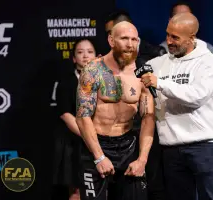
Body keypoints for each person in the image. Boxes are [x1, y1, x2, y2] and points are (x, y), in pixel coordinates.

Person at [141, 13, 213, 200]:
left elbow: (197, 96)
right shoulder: (156, 64)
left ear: (191, 38)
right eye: (168, 35)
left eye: (175, 37)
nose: (169, 41)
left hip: (203, 146)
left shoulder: (209, 62)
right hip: (171, 149)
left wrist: (159, 83)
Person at [75, 21, 155, 200]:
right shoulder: (93, 70)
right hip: (96, 145)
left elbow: (148, 118)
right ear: (111, 40)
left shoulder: (142, 74)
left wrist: (142, 160)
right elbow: (82, 116)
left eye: (134, 39)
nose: (130, 44)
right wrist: (99, 157)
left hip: (128, 146)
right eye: (124, 38)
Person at [104, 10, 166, 200]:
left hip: (148, 134)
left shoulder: (153, 58)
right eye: (111, 35)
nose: (126, 44)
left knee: (153, 187)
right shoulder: (103, 64)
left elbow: (154, 108)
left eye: (131, 38)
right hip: (117, 140)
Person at [160, 1, 213, 133]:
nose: (182, 20)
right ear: (169, 21)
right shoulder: (160, 52)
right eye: (178, 17)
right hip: (172, 129)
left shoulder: (207, 51)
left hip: (202, 128)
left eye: (186, 16)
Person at [52, 39, 96, 200]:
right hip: (74, 143)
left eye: (90, 52)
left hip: (102, 142)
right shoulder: (66, 82)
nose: (85, 56)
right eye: (80, 52)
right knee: (77, 192)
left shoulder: (105, 81)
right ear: (73, 58)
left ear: (97, 56)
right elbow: (65, 113)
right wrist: (89, 136)